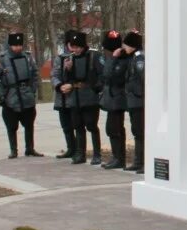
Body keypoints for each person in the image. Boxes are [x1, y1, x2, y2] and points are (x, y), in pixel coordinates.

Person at [0, 32, 43, 159]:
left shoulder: (28, 57)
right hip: (10, 97)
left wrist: (33, 90)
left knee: (29, 124)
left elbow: (35, 74)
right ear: (10, 45)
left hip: (27, 96)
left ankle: (30, 148)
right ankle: (13, 150)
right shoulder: (1, 59)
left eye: (19, 45)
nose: (18, 48)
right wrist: (1, 95)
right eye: (15, 45)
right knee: (11, 125)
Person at [59, 31, 104, 165]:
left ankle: (97, 154)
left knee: (91, 126)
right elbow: (66, 79)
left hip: (90, 97)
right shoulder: (70, 58)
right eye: (73, 47)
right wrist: (67, 69)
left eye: (78, 47)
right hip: (75, 97)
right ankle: (80, 153)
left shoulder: (94, 56)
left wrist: (96, 88)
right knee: (78, 126)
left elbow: (102, 74)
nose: (76, 50)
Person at [99, 30, 128, 170]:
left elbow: (109, 75)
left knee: (114, 129)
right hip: (112, 98)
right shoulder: (113, 58)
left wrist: (114, 59)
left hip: (118, 99)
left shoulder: (121, 60)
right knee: (112, 129)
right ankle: (116, 156)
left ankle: (119, 158)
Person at [51, 30, 77, 159]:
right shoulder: (59, 58)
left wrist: (71, 85)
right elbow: (54, 75)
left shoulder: (80, 57)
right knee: (66, 126)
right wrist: (59, 85)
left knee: (77, 125)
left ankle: (79, 149)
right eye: (70, 44)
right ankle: (70, 148)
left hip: (75, 97)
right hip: (61, 98)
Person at [123, 29, 145, 173]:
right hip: (133, 101)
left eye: (126, 44)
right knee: (136, 131)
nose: (124, 47)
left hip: (138, 101)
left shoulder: (139, 59)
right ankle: (138, 161)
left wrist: (138, 94)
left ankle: (143, 162)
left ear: (133, 45)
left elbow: (143, 78)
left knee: (141, 132)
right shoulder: (132, 58)